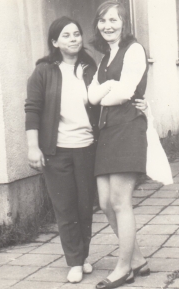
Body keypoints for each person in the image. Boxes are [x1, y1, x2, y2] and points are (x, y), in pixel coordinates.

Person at [25, 15, 147, 284]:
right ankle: (75, 261)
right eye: (66, 35)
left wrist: (140, 103)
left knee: (87, 207)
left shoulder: (91, 66)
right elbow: (32, 110)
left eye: (76, 34)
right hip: (56, 149)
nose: (73, 39)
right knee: (65, 207)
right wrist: (33, 146)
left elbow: (107, 97)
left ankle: (86, 256)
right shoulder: (44, 71)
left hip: (89, 146)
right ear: (54, 41)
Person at [88, 1, 150, 288]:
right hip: (107, 131)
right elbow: (91, 96)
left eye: (113, 19)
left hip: (127, 128)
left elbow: (122, 95)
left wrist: (107, 91)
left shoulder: (134, 50)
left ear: (124, 23)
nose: (107, 25)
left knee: (120, 202)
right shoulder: (106, 57)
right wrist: (107, 90)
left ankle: (123, 268)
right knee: (104, 203)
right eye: (102, 20)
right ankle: (138, 259)